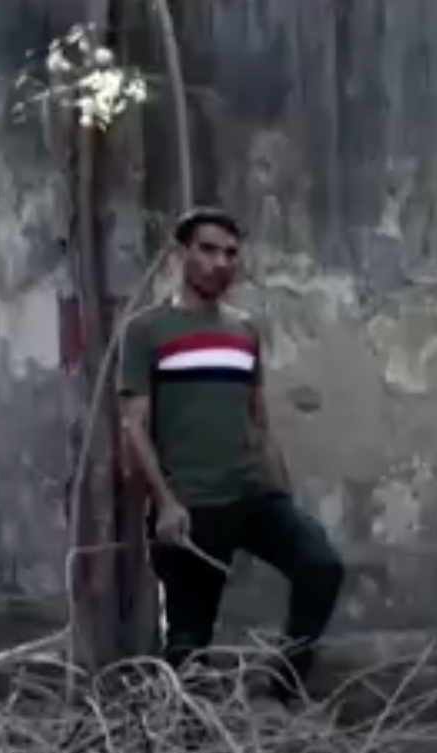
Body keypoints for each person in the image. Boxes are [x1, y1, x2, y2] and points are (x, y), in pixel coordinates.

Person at [117, 207, 346, 700]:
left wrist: (280, 494)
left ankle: (280, 693)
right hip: (191, 506)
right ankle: (182, 746)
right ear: (181, 254)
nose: (221, 262)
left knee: (321, 566)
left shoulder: (244, 330)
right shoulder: (147, 331)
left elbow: (258, 419)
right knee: (188, 646)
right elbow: (133, 426)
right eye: (208, 249)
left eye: (230, 253)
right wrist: (165, 503)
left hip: (251, 495)